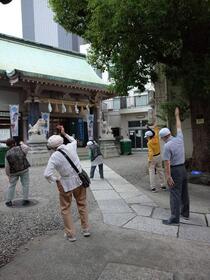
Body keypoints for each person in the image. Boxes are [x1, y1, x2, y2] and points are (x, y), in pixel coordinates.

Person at [44, 125, 90, 242]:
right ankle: (86, 230)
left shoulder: (54, 156)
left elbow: (47, 174)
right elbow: (73, 140)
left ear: (52, 147)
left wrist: (56, 180)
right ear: (62, 141)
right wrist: (64, 133)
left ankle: (71, 235)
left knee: (66, 208)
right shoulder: (71, 146)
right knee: (82, 204)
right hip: (79, 181)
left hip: (65, 184)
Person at [159, 107, 190, 225]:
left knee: (175, 193)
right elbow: (179, 127)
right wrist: (177, 116)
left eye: (161, 138)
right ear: (170, 134)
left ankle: (174, 218)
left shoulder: (167, 146)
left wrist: (168, 176)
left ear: (163, 137)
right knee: (184, 192)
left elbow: (167, 163)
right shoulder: (179, 139)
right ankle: (185, 213)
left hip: (175, 170)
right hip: (183, 168)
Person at [5, 138, 30, 207]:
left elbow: (7, 167)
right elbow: (27, 148)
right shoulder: (21, 148)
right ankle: (25, 199)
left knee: (11, 185)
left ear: (8, 146)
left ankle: (8, 201)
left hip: (14, 172)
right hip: (24, 169)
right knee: (25, 184)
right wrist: (21, 143)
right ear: (15, 143)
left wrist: (8, 175)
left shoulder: (7, 153)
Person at [144, 121, 166, 193]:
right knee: (160, 170)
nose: (146, 137)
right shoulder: (156, 137)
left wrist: (149, 160)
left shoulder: (149, 143)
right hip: (159, 156)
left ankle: (153, 187)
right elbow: (156, 129)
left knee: (152, 172)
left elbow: (150, 152)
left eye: (147, 136)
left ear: (149, 136)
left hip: (153, 158)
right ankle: (163, 185)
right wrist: (153, 125)